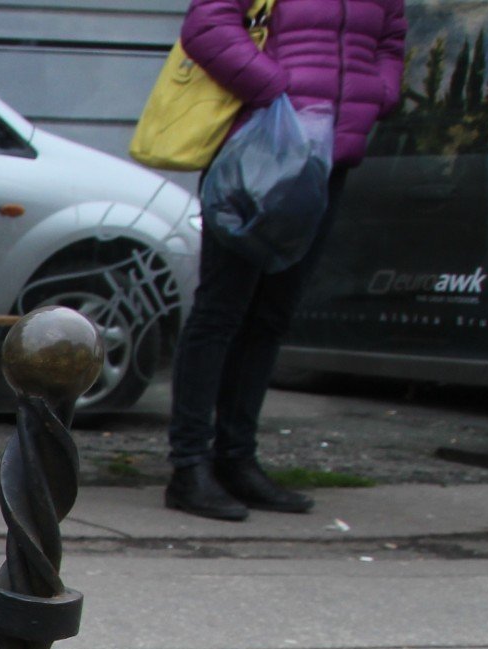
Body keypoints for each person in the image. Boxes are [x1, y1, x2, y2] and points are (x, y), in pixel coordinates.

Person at [165, 0, 406, 520]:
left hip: (328, 154)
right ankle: (188, 466)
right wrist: (278, 89)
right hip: (258, 145)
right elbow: (208, 25)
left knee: (273, 313)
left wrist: (378, 93)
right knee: (221, 310)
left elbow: (390, 40)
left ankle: (236, 459)